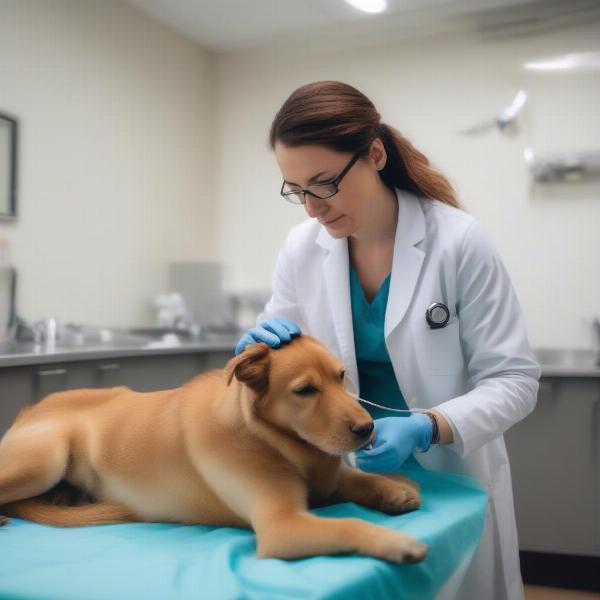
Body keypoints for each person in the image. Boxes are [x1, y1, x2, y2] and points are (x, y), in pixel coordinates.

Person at [235, 80, 540, 600]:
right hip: (352, 475)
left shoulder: (459, 242)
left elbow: (514, 380)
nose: (312, 208)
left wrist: (427, 427)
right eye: (297, 190)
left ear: (374, 155)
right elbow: (278, 363)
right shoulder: (301, 249)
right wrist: (254, 352)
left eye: (324, 183)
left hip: (452, 474)